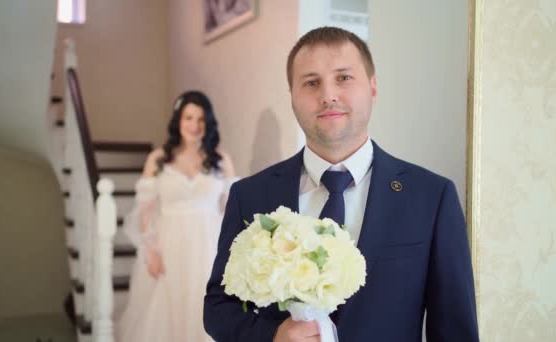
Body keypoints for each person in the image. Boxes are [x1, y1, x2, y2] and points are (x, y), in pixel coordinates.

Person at [204, 27, 479, 342]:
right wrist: (271, 335)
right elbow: (218, 307)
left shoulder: (432, 197)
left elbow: (455, 328)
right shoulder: (250, 195)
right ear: (292, 97)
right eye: (311, 83)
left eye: (344, 78)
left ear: (373, 87)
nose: (328, 95)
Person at [117, 90, 236, 342]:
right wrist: (150, 251)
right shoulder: (158, 159)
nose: (194, 125)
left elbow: (231, 210)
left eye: (201, 119)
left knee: (205, 305)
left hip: (209, 245)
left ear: (209, 123)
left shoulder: (221, 160)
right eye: (188, 118)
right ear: (178, 121)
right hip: (170, 246)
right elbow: (145, 210)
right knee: (169, 312)